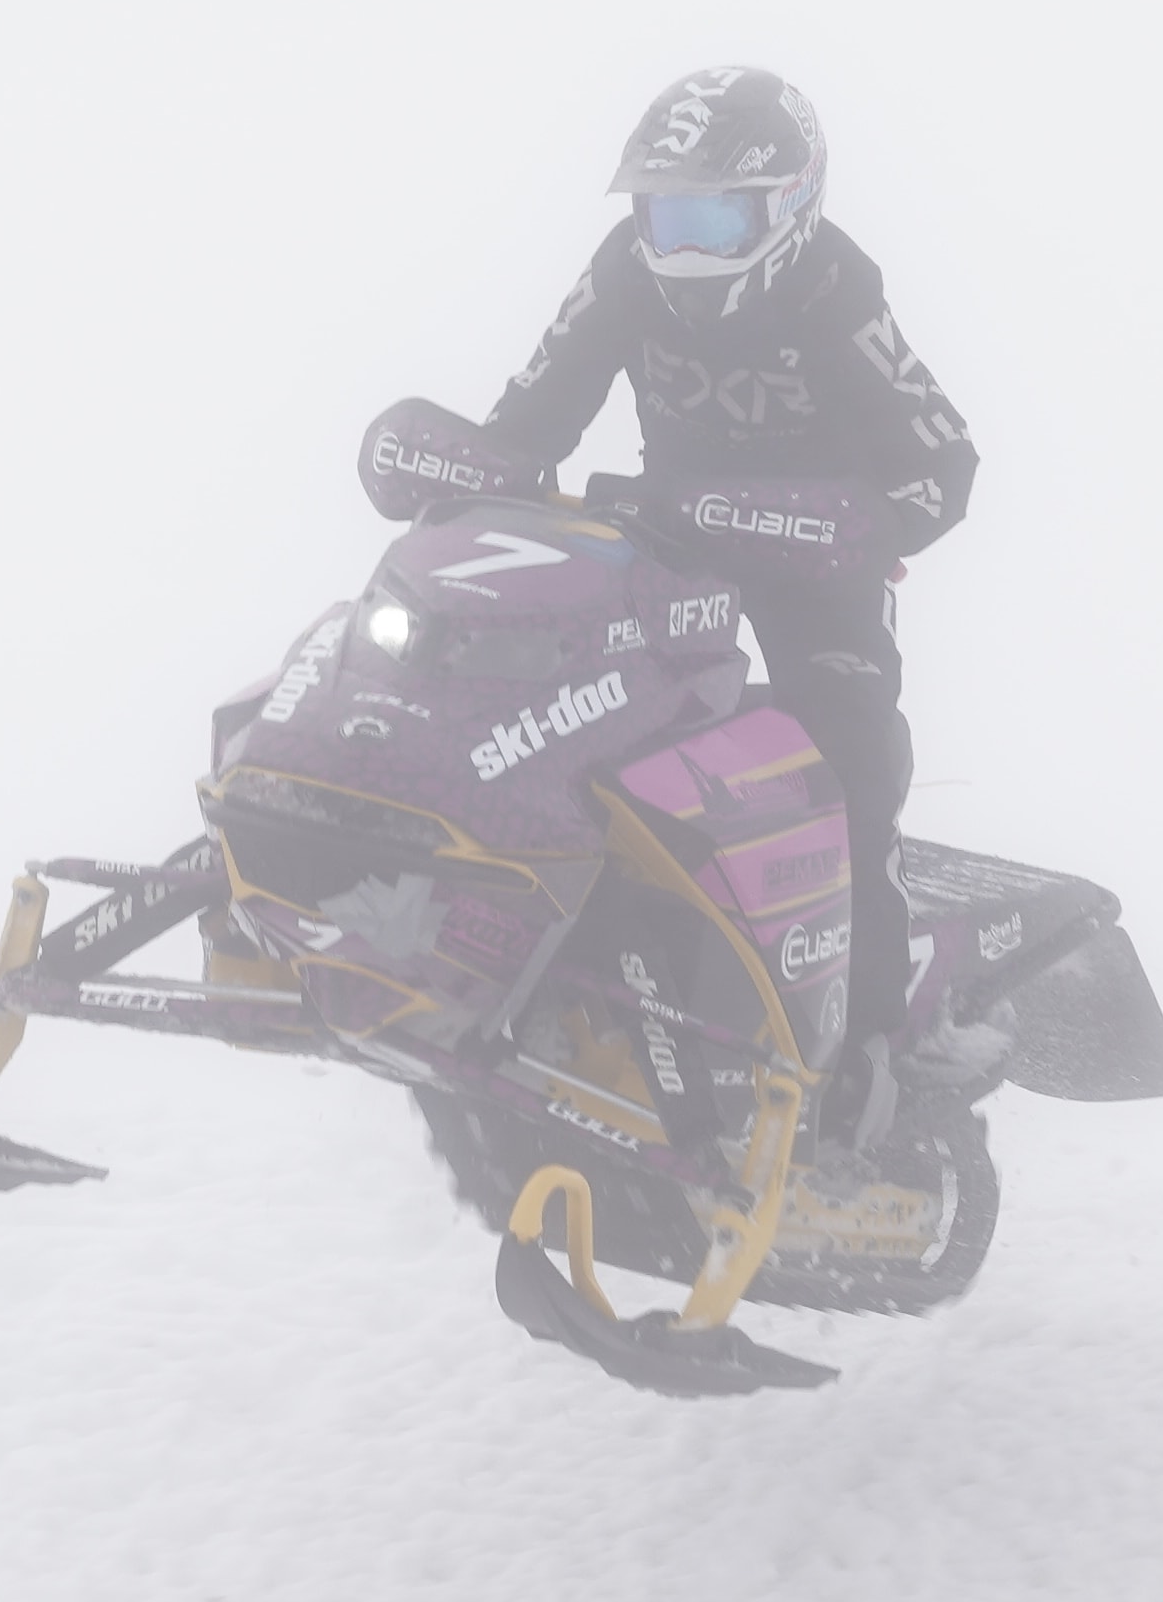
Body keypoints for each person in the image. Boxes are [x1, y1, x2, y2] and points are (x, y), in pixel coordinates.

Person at [418, 67, 977, 1132]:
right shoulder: (624, 275)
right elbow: (532, 417)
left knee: (852, 755)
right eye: (667, 211)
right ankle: (511, 959)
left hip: (817, 570)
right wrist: (464, 473)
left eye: (719, 215)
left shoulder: (836, 290)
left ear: (791, 205)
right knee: (558, 710)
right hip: (666, 544)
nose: (686, 244)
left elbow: (944, 461)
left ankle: (871, 1045)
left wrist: (864, 525)